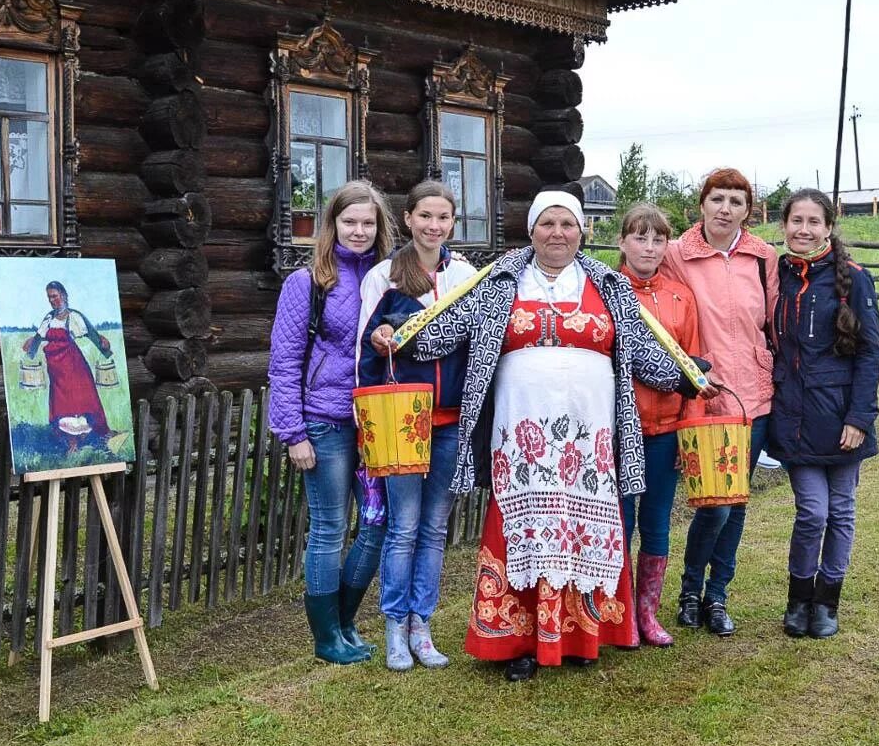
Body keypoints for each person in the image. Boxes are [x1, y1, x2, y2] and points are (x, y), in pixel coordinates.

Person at [390, 191, 703, 681]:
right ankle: (516, 641)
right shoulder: (498, 283)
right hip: (521, 438)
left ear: (583, 232)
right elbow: (445, 327)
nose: (558, 233)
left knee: (583, 528)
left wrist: (689, 375)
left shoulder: (609, 285)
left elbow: (644, 351)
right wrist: (398, 331)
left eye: (568, 224)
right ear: (531, 229)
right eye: (548, 223)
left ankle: (582, 636)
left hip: (590, 439)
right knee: (525, 529)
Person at [267, 180, 396, 665]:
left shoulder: (388, 279)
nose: (359, 231)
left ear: (379, 226)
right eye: (350, 222)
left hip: (378, 421)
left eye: (368, 222)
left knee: (378, 522)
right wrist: (293, 433)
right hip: (326, 420)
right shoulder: (308, 284)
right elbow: (283, 363)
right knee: (328, 528)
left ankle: (342, 621)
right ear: (332, 225)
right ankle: (326, 638)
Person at [359, 181, 477, 671]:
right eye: (425, 216)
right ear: (408, 218)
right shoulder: (384, 276)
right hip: (402, 418)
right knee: (403, 527)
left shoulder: (467, 276)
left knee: (433, 529)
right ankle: (392, 628)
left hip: (450, 420)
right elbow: (364, 348)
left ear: (453, 222)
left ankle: (421, 626)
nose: (434, 226)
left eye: (443, 217)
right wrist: (381, 337)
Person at [661, 168, 778, 637]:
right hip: (707, 395)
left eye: (736, 201)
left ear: (748, 211)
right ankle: (690, 589)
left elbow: (774, 322)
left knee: (739, 499)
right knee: (714, 504)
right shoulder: (676, 256)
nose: (725, 209)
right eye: (717, 199)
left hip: (755, 394)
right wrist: (690, 372)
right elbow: (665, 315)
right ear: (702, 205)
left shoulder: (763, 257)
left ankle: (717, 596)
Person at [767, 189, 879, 639]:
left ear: (829, 227)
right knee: (813, 512)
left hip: (841, 418)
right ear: (783, 225)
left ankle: (827, 601)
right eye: (796, 221)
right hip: (795, 416)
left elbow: (870, 354)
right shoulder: (777, 276)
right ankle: (799, 598)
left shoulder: (853, 278)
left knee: (842, 511)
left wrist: (859, 418)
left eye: (814, 222)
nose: (804, 230)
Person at [615, 204, 714, 647]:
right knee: (618, 521)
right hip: (620, 427)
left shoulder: (679, 296)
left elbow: (694, 371)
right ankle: (615, 614)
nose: (649, 247)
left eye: (657, 239)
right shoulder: (607, 291)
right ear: (622, 242)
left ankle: (646, 614)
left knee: (656, 522)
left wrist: (688, 431)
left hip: (667, 428)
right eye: (639, 237)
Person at [22, 281, 113, 453]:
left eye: (55, 296)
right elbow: (38, 338)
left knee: (83, 400)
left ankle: (96, 435)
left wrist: (104, 346)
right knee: (62, 405)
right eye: (49, 297)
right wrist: (30, 347)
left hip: (74, 366)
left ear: (63, 295)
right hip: (56, 370)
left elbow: (92, 335)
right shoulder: (49, 318)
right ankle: (73, 444)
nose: (52, 300)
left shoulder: (74, 317)